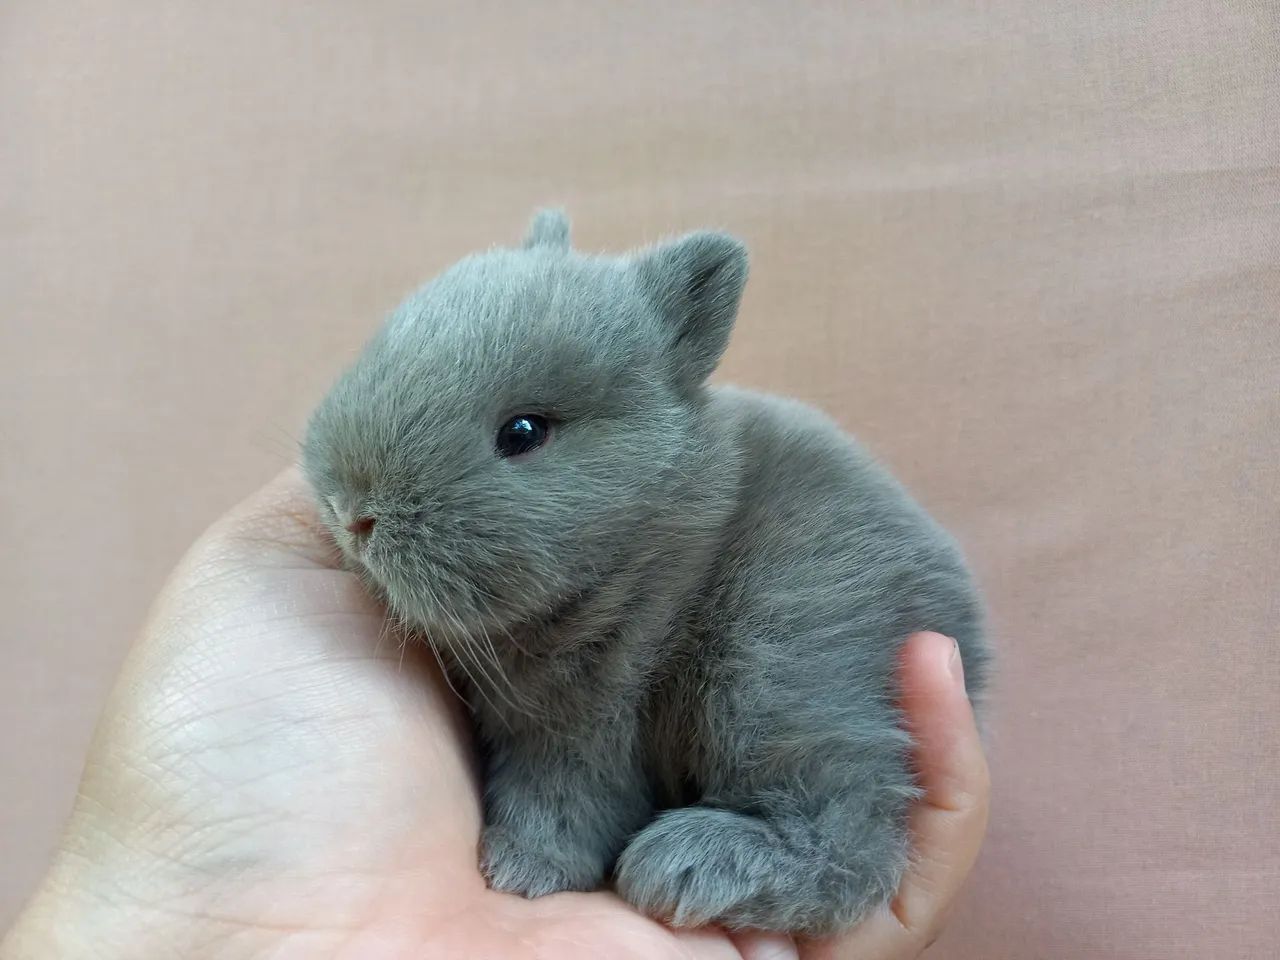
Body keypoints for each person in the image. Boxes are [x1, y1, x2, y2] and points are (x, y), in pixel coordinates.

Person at [1, 470, 990, 960]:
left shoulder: (656, 539)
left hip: (821, 599)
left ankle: (818, 844)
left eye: (519, 438)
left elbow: (587, 724)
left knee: (771, 662)